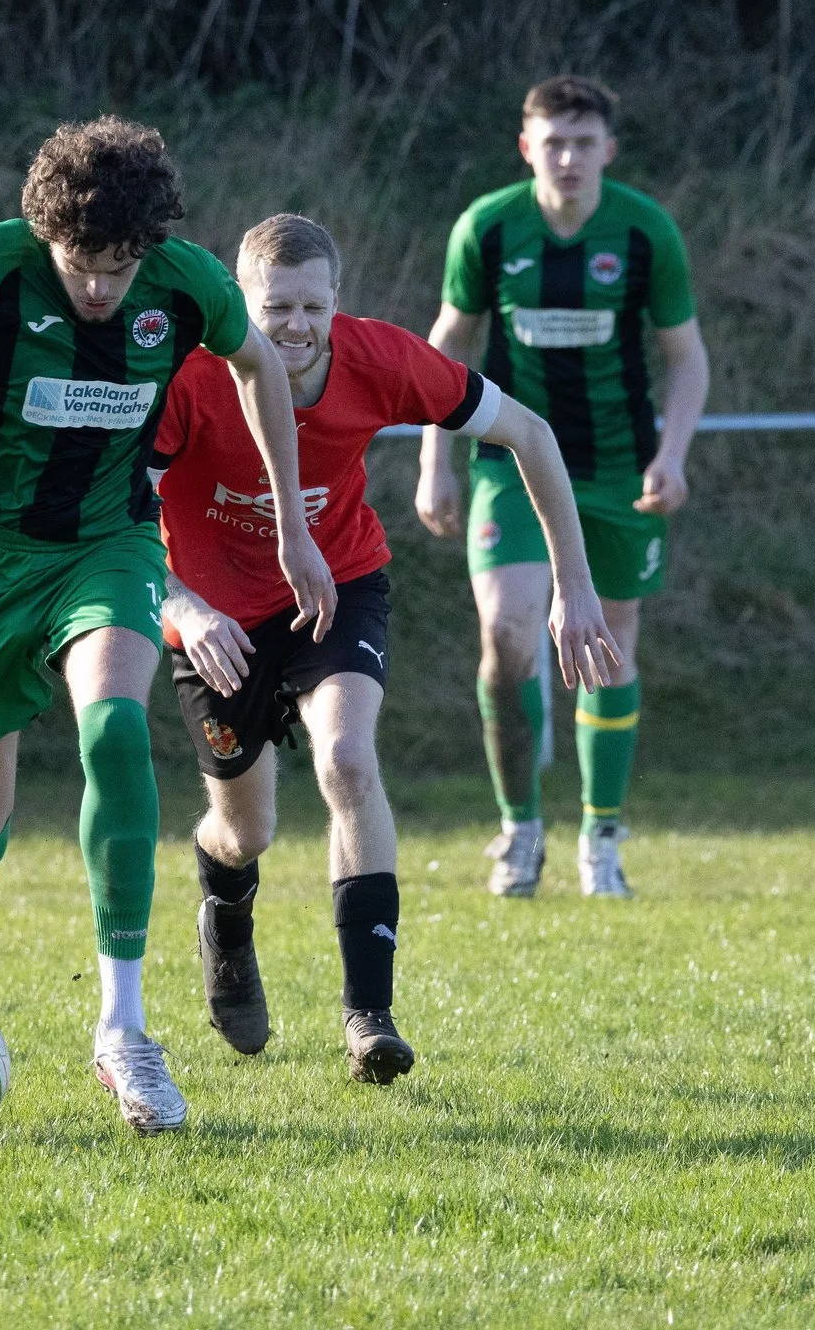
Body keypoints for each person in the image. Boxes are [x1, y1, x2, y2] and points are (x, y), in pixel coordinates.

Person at [0, 118, 332, 1134]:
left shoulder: (181, 284)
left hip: (110, 546)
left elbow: (259, 366)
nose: (102, 288)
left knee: (114, 731)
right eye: (83, 265)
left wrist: (291, 527)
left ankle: (123, 1029)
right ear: (44, 235)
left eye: (121, 265)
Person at [152, 214, 620, 1081]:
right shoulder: (187, 376)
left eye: (311, 307)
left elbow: (531, 434)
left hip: (337, 588)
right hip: (211, 621)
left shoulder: (382, 360)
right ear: (239, 302)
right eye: (274, 308)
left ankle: (369, 1016)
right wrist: (186, 606)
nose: (293, 326)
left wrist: (576, 587)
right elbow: (121, 521)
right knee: (243, 828)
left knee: (346, 762)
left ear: (337, 303)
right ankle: (225, 915)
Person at [415, 74, 711, 898]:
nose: (569, 158)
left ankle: (601, 839)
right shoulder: (488, 226)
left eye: (584, 142)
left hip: (618, 469)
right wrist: (433, 459)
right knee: (509, 638)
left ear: (608, 150)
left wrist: (674, 454)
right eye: (554, 142)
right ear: (526, 147)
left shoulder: (645, 231)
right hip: (510, 466)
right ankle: (520, 832)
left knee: (608, 646)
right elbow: (450, 343)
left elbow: (685, 356)